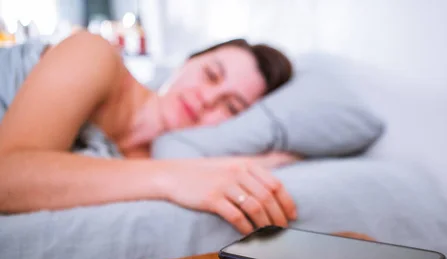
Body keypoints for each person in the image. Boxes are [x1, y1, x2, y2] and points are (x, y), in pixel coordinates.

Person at [0, 32, 299, 234]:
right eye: (211, 74)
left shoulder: (145, 157)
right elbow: (7, 175)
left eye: (231, 106)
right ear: (187, 61)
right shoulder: (94, 54)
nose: (207, 98)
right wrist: (169, 178)